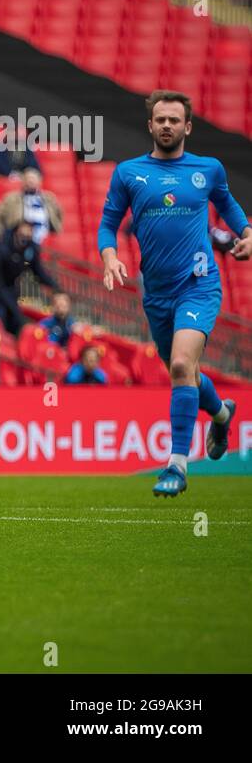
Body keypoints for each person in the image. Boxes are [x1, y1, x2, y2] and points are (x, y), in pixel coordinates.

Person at [98, 89, 250, 498]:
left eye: (174, 120)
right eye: (160, 119)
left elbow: (230, 207)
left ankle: (176, 466)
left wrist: (248, 234)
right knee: (182, 372)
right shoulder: (129, 173)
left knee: (182, 364)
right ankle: (221, 413)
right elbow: (107, 224)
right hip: (157, 294)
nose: (167, 125)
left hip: (199, 286)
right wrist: (110, 257)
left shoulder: (208, 169)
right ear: (150, 126)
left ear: (187, 126)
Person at [0, 221, 59, 337]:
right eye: (23, 231)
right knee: (0, 312)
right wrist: (12, 306)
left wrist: (55, 287)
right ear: (16, 232)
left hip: (9, 285)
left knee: (15, 318)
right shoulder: (0, 249)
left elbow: (38, 271)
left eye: (29, 232)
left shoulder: (31, 249)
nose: (25, 236)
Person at [0, 167, 62, 244]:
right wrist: (2, 237)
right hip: (20, 241)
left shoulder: (49, 198)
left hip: (46, 240)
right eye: (27, 178)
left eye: (33, 178)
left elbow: (59, 215)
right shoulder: (11, 198)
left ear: (39, 181)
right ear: (22, 182)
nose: (30, 181)